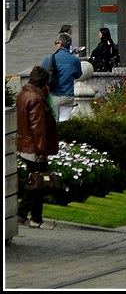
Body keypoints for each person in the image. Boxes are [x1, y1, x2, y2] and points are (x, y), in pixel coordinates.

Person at [16, 65, 59, 230]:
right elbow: (38, 127)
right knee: (38, 183)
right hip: (34, 147)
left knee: (33, 182)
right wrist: (42, 151)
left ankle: (22, 213)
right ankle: (35, 218)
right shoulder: (35, 98)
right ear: (43, 83)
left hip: (24, 145)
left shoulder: (23, 94)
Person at [41, 33, 83, 121]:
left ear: (59, 43)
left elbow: (41, 74)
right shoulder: (75, 60)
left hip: (53, 94)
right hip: (68, 94)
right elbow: (78, 75)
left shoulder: (50, 58)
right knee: (64, 120)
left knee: (52, 121)